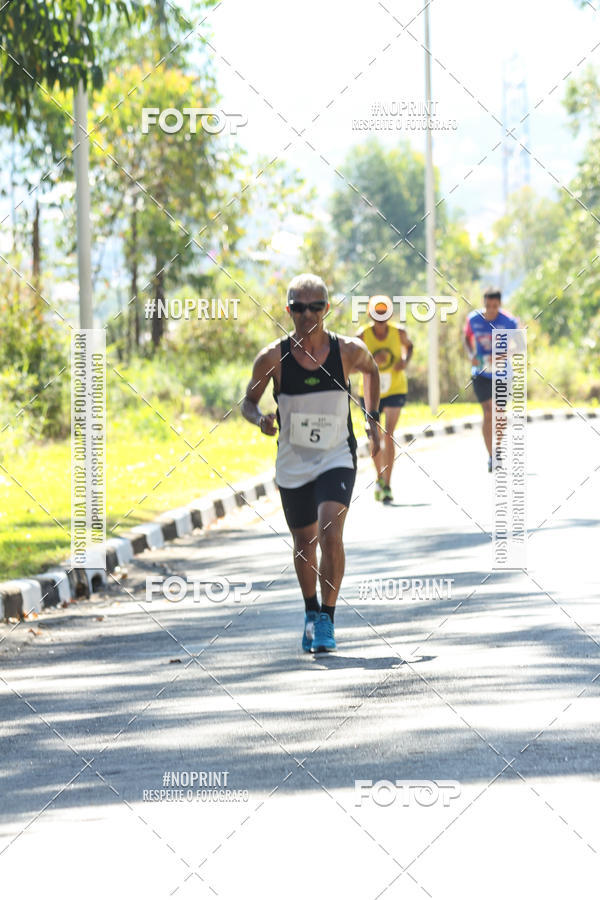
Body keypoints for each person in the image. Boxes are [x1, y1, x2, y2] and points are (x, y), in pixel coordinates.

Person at [242, 273, 380, 653]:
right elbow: (248, 403)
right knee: (304, 541)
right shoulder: (273, 358)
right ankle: (310, 610)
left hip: (336, 456)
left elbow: (372, 371)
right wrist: (261, 421)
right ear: (288, 310)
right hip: (293, 461)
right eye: (298, 308)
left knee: (330, 533)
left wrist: (373, 422)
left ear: (326, 308)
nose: (307, 315)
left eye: (314, 307)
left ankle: (327, 620)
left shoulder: (348, 351)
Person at [357, 295, 413, 503]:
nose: (381, 318)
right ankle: (379, 477)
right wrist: (371, 361)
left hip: (396, 387)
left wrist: (405, 361)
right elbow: (354, 362)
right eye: (377, 313)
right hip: (371, 391)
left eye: (384, 313)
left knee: (389, 435)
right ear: (370, 314)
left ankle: (387, 484)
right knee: (375, 436)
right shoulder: (362, 335)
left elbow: (410, 346)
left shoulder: (399, 333)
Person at [463, 286, 519, 472]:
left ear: (500, 304)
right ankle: (491, 456)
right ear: (484, 303)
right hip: (481, 372)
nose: (491, 310)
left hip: (503, 372)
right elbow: (466, 337)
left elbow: (519, 346)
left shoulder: (509, 321)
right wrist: (471, 352)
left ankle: (498, 447)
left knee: (499, 413)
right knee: (488, 413)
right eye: (488, 305)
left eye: (495, 306)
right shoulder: (473, 319)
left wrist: (502, 355)